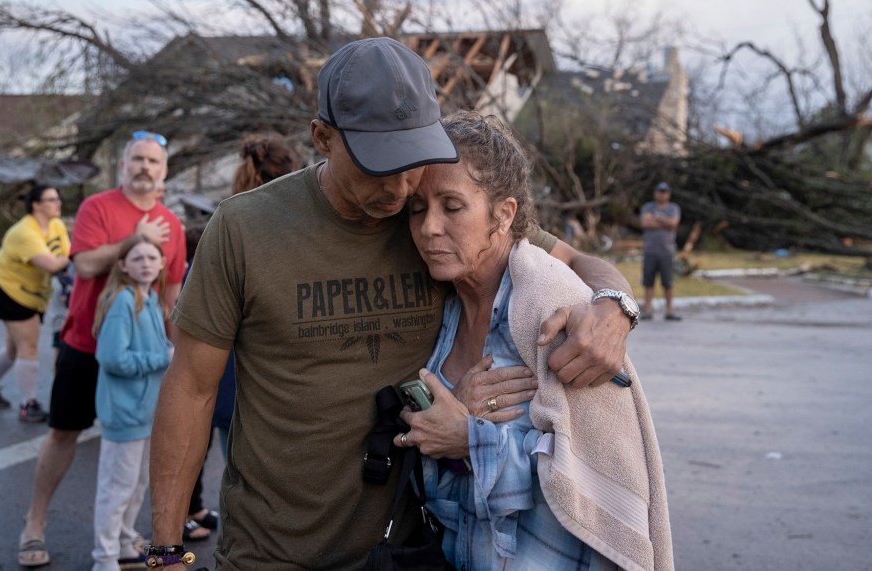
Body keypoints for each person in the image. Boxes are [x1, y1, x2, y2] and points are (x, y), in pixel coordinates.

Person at [147, 37, 636, 570]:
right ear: (322, 138)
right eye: (379, 165)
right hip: (270, 552)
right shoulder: (243, 229)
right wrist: (166, 549)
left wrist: (615, 307)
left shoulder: (433, 222)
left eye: (412, 161)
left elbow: (577, 260)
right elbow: (191, 389)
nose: (402, 188)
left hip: (401, 549)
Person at [398, 112, 672, 570]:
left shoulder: (552, 309)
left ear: (504, 215)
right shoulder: (445, 306)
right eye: (418, 209)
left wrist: (470, 440)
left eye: (452, 206)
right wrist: (441, 427)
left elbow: (594, 484)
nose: (429, 228)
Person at [17, 132, 186, 568]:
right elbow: (87, 264)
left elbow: (172, 293)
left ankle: (125, 537)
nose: (145, 166)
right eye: (138, 159)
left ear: (164, 171)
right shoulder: (98, 207)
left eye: (153, 161)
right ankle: (33, 525)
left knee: (138, 451)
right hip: (86, 347)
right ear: (123, 166)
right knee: (62, 433)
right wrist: (136, 237)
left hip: (142, 363)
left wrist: (178, 354)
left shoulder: (172, 222)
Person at [183, 131, 304, 546]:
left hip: (227, 382)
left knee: (239, 477)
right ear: (292, 174)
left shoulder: (223, 229)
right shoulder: (300, 233)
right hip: (279, 387)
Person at [91, 235, 173, 571]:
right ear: (123, 265)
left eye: (152, 258)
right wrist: (163, 357)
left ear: (162, 263)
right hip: (125, 413)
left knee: (138, 484)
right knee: (116, 489)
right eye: (137, 258)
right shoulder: (123, 300)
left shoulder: (151, 298)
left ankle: (124, 543)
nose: (146, 264)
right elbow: (112, 358)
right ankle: (104, 558)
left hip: (147, 412)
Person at [0, 185, 70, 423]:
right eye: (51, 199)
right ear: (36, 205)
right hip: (11, 292)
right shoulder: (24, 232)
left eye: (57, 198)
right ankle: (28, 404)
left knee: (13, 347)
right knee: (28, 346)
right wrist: (77, 258)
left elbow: (65, 254)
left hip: (34, 294)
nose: (58, 203)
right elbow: (51, 264)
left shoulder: (56, 224)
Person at [640, 181, 682, 321]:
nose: (662, 195)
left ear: (668, 194)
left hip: (667, 251)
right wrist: (665, 222)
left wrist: (656, 218)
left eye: (664, 192)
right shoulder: (648, 207)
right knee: (648, 282)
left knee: (668, 283)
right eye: (659, 192)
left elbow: (673, 223)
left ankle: (669, 311)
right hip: (650, 250)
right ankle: (647, 310)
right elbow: (645, 223)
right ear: (655, 193)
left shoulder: (673, 208)